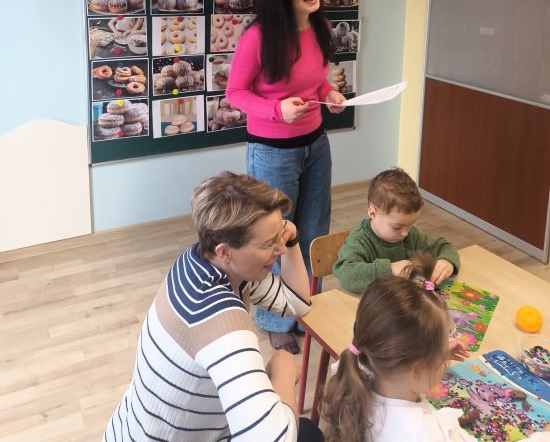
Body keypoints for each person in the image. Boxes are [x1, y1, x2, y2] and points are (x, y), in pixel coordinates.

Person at [103, 171, 324, 442]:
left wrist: (291, 240)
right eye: (269, 243)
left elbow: (297, 303)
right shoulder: (220, 320)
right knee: (309, 434)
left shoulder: (206, 262)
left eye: (280, 234)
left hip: (131, 429)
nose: (280, 249)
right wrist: (282, 372)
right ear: (225, 251)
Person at [226, 0, 346, 354]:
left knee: (313, 231)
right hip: (273, 150)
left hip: (316, 143)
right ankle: (275, 320)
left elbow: (316, 81)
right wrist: (277, 110)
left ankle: (304, 309)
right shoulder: (257, 38)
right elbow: (235, 93)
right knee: (274, 238)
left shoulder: (320, 26)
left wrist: (330, 94)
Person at [321, 255, 550, 442]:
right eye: (440, 357)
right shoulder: (430, 434)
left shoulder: (355, 366)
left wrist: (431, 352)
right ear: (417, 369)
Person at [334, 167, 460, 292]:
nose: (405, 233)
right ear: (373, 213)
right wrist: (391, 269)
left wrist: (447, 261)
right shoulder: (359, 240)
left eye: (410, 224)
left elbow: (444, 247)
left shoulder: (411, 235)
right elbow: (346, 274)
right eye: (397, 227)